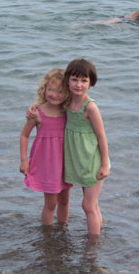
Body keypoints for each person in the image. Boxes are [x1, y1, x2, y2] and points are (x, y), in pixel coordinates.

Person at [29, 60, 110, 235]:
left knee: (88, 205)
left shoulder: (91, 107)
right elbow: (50, 106)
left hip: (92, 163)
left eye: (84, 81)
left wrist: (105, 164)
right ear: (68, 81)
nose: (78, 85)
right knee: (92, 205)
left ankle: (93, 248)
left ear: (91, 82)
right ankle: (83, 239)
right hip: (76, 162)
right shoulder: (67, 104)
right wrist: (34, 108)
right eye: (74, 79)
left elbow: (102, 136)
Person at [20, 68, 73, 226]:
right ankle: (47, 235)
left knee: (64, 200)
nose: (55, 95)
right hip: (48, 165)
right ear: (44, 89)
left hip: (66, 164)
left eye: (60, 91)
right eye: (51, 90)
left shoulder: (69, 112)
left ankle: (62, 230)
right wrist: (24, 160)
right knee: (51, 204)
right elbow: (24, 135)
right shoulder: (37, 113)